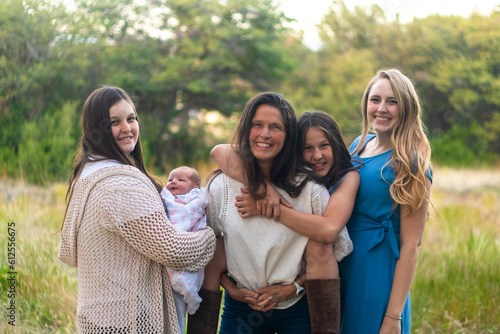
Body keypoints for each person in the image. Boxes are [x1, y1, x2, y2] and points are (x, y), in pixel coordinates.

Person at [57, 86, 216, 334]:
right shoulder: (120, 184)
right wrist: (210, 235)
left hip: (97, 315)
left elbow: (69, 252)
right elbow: (173, 250)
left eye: (131, 118)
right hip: (128, 320)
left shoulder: (87, 175)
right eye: (114, 122)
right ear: (95, 129)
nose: (127, 128)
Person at [197, 91, 353, 334]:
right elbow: (208, 250)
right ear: (246, 129)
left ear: (289, 136)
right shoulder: (222, 186)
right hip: (242, 306)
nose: (265, 134)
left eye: (275, 127)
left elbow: (334, 249)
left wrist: (295, 287)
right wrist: (232, 289)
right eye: (257, 125)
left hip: (300, 305)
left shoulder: (310, 188)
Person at [338, 69, 433, 333]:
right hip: (342, 261)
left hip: (377, 270)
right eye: (375, 99)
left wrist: (393, 317)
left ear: (407, 109)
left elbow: (412, 245)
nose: (382, 108)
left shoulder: (411, 163)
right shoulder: (358, 145)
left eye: (392, 101)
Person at [161, 166, 210, 332]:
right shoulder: (164, 197)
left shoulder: (195, 198)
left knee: (178, 311)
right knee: (166, 312)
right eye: (170, 179)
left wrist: (184, 204)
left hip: (188, 249)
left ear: (194, 188)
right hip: (167, 250)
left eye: (181, 180)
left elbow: (194, 212)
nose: (173, 182)